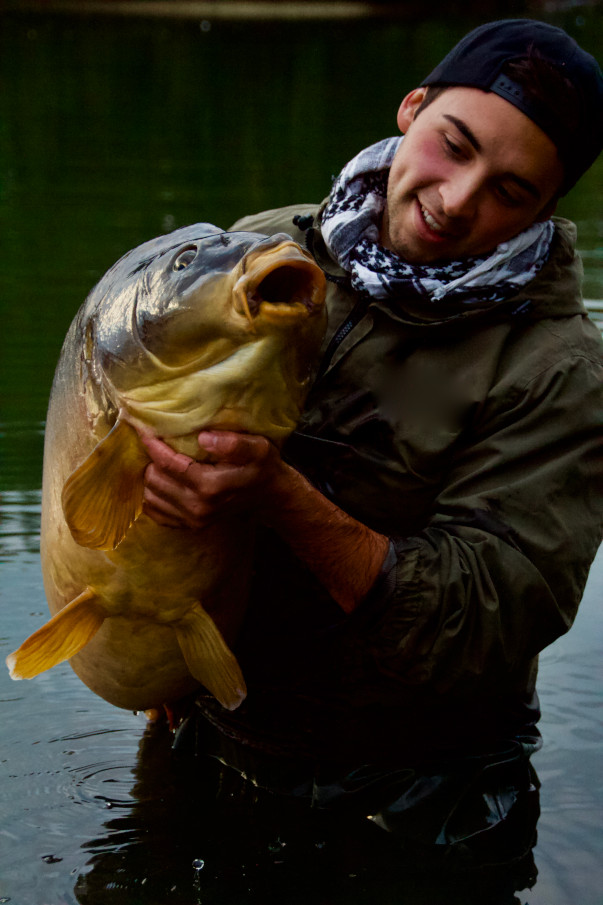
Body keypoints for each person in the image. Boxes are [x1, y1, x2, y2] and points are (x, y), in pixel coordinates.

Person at [140, 18, 603, 881]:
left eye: (510, 191)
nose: (459, 198)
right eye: (452, 145)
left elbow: (485, 616)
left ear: (545, 210)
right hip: (206, 739)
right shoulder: (266, 249)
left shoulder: (558, 369)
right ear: (411, 107)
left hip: (416, 806)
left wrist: (279, 494)